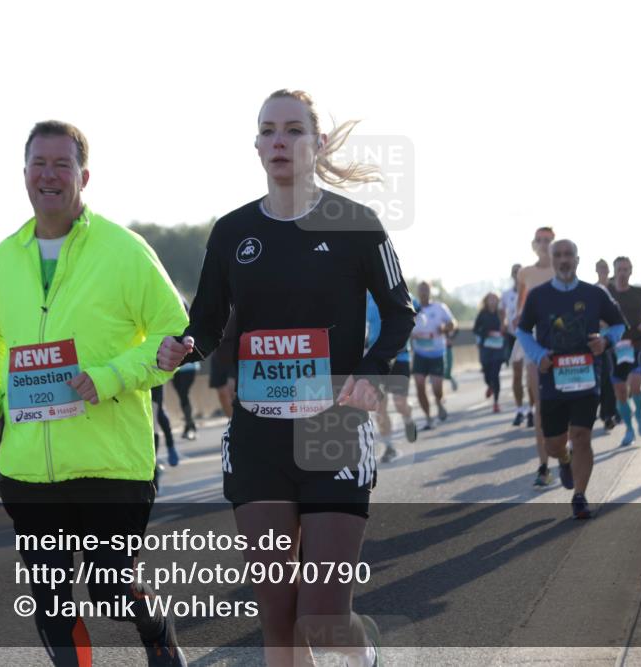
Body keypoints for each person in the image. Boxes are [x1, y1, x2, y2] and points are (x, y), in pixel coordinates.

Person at [157, 89, 415, 667]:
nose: (280, 140)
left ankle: (362, 653)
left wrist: (372, 372)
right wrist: (185, 345)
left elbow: (401, 313)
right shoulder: (231, 232)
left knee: (320, 622)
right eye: (269, 130)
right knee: (278, 620)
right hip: (258, 439)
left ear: (317, 143)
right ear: (256, 145)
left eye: (294, 130)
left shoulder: (356, 224)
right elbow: (207, 320)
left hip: (333, 433)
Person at [0, 121, 190, 666]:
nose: (49, 174)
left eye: (61, 164)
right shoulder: (2, 259)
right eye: (38, 163)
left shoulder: (123, 250)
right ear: (24, 173)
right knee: (50, 601)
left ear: (83, 176)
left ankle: (155, 629)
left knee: (112, 593)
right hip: (28, 467)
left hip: (110, 463)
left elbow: (175, 332)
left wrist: (110, 375)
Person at [516, 240, 625, 519]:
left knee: (582, 437)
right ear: (552, 260)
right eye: (559, 255)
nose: (564, 260)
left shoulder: (595, 294)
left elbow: (618, 323)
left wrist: (606, 340)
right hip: (552, 379)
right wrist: (538, 354)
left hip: (587, 377)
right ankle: (563, 460)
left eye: (569, 255)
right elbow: (523, 331)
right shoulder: (538, 296)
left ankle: (580, 496)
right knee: (554, 444)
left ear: (577, 260)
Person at [516, 227, 556, 487]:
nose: (544, 244)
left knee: (565, 404)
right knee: (540, 406)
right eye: (540, 241)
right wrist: (519, 323)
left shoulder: (564, 267)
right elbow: (521, 305)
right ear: (533, 245)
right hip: (534, 344)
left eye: (548, 240)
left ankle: (566, 450)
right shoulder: (525, 273)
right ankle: (543, 467)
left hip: (563, 345)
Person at [608, 258, 641, 447]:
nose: (622, 273)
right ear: (614, 271)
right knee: (621, 391)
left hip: (637, 344)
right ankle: (629, 429)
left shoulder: (639, 292)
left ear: (631, 271)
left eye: (626, 269)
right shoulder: (607, 293)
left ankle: (639, 414)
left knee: (635, 386)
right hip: (615, 348)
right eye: (619, 269)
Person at [366, 292, 418, 463]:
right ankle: (389, 447)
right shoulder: (365, 297)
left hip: (400, 355)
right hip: (377, 358)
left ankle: (408, 417)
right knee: (380, 406)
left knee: (400, 403)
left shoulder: (401, 292)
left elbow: (414, 317)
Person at [411, 281, 457, 430]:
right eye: (421, 290)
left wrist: (445, 328)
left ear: (430, 291)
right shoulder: (412, 309)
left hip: (437, 353)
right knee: (419, 386)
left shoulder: (439, 308)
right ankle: (428, 418)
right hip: (419, 353)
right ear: (417, 292)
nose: (424, 292)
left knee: (437, 389)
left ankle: (438, 401)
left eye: (426, 290)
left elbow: (453, 323)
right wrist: (412, 334)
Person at [502, 264, 529, 425]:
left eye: (520, 273)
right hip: (514, 336)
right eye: (515, 273)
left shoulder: (531, 291)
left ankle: (532, 409)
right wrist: (503, 323)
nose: (517, 275)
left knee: (532, 375)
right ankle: (519, 410)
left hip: (530, 335)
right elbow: (502, 311)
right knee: (517, 373)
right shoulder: (506, 295)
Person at [594, 260, 618, 431]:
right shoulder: (593, 290)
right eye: (600, 268)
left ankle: (617, 409)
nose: (603, 271)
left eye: (605, 268)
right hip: (601, 341)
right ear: (596, 270)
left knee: (619, 377)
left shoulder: (616, 289)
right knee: (606, 378)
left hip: (620, 339)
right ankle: (607, 415)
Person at [474, 292, 506, 413]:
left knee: (495, 374)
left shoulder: (501, 313)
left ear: (498, 301)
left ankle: (496, 402)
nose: (492, 301)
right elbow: (475, 329)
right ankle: (490, 386)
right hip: (486, 348)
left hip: (498, 348)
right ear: (486, 301)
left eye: (494, 299)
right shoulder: (482, 314)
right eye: (490, 299)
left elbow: (506, 328)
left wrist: (503, 329)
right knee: (487, 373)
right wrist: (485, 333)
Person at [208, 310, 238, 418]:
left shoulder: (237, 304)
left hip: (235, 354)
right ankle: (232, 423)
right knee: (222, 393)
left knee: (233, 389)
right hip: (218, 355)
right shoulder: (212, 305)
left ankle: (240, 421)